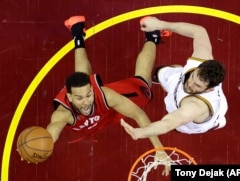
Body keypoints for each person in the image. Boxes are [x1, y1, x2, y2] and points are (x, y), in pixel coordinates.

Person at [46, 16, 172, 172]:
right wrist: (39, 146)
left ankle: (152, 36)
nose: (86, 102)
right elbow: (51, 133)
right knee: (81, 77)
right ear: (69, 97)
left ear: (92, 89)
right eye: (79, 98)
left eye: (88, 95)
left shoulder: (104, 95)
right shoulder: (63, 114)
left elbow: (138, 115)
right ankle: (77, 32)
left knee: (144, 86)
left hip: (109, 107)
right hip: (100, 113)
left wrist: (159, 150)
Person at [121, 16, 228, 140]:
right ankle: (156, 41)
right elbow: (199, 31)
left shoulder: (196, 106)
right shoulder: (201, 59)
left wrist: (142, 132)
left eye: (197, 85)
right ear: (199, 67)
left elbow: (169, 123)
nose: (189, 84)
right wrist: (160, 24)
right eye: (193, 76)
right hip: (176, 81)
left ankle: (216, 122)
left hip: (186, 116)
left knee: (178, 127)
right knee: (162, 72)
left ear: (209, 89)